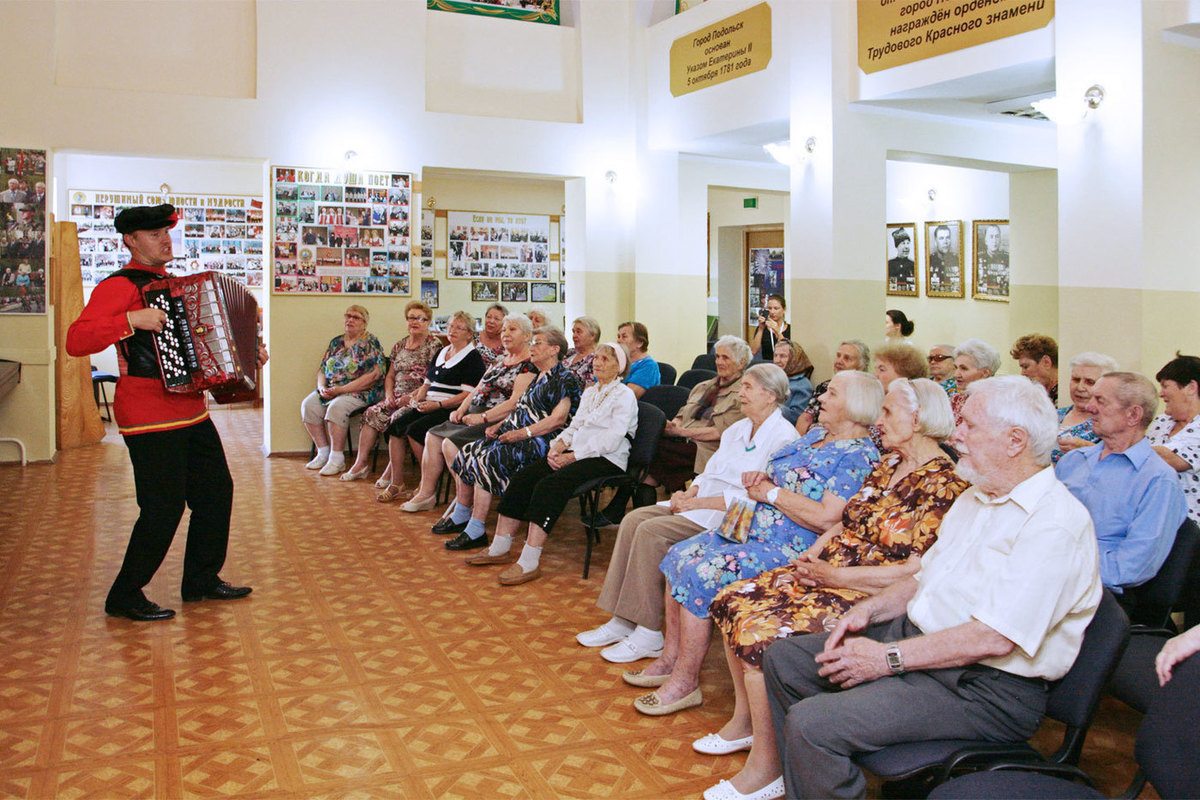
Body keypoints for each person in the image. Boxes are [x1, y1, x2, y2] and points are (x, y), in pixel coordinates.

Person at [764, 376, 1102, 800]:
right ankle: (810, 779)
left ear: (1015, 440)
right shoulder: (976, 498)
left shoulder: (1055, 523)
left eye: (971, 426)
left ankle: (818, 764)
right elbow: (922, 578)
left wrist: (886, 659)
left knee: (813, 726)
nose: (956, 434)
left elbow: (993, 637)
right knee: (785, 658)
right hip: (924, 645)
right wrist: (867, 611)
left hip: (984, 688)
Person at [704, 378, 968, 800]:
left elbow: (917, 568)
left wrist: (838, 577)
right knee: (733, 598)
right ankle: (749, 723)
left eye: (888, 412)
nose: (879, 420)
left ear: (917, 421)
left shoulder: (944, 485)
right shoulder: (887, 464)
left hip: (869, 590)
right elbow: (846, 521)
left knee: (762, 630)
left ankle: (769, 766)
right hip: (833, 569)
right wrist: (811, 559)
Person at [628, 370, 883, 722]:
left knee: (701, 572)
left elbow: (828, 518)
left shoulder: (857, 455)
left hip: (790, 543)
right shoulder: (816, 436)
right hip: (751, 522)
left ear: (856, 406)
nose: (820, 399)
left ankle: (686, 681)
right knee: (677, 556)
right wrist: (760, 480)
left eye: (832, 394)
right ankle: (670, 658)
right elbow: (772, 473)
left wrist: (771, 492)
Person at [65, 203, 268, 621]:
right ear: (131, 240)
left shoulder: (172, 285)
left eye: (166, 232)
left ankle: (200, 579)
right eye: (155, 233)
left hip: (191, 411)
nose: (164, 239)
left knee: (215, 494)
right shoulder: (118, 287)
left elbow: (202, 354)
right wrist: (129, 319)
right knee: (162, 507)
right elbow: (76, 339)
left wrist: (246, 356)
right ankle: (124, 594)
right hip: (147, 413)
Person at [577, 364, 802, 665]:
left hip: (734, 515)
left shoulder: (783, 438)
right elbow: (710, 471)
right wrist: (689, 493)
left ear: (771, 395)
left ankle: (648, 633)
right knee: (632, 520)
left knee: (651, 532)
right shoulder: (738, 428)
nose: (740, 395)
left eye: (748, 388)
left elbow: (755, 494)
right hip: (703, 503)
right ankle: (623, 620)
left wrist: (697, 504)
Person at [470, 342, 638, 584]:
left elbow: (612, 439)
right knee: (525, 477)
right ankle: (499, 546)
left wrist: (572, 456)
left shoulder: (625, 396)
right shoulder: (591, 392)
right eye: (597, 357)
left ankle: (529, 562)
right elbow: (575, 426)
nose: (597, 362)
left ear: (620, 367)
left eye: (605, 359)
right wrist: (557, 446)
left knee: (550, 486)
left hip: (607, 458)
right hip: (577, 451)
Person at [441, 327, 583, 552]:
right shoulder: (539, 376)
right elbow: (522, 408)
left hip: (544, 439)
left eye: (538, 343)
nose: (532, 348)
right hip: (518, 434)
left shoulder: (565, 378)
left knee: (488, 458)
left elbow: (558, 419)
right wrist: (499, 426)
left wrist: (521, 433)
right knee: (469, 451)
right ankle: (462, 515)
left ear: (554, 349)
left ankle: (476, 529)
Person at [597, 336, 752, 528]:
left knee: (647, 458)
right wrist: (673, 425)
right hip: (682, 439)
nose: (719, 362)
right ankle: (641, 521)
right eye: (718, 357)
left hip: (707, 448)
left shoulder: (744, 394)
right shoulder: (704, 386)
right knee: (644, 455)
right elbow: (683, 414)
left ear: (742, 363)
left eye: (726, 358)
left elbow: (721, 433)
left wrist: (682, 433)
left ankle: (629, 515)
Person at [1056, 371, 1187, 595]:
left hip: (1101, 593)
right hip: (1051, 576)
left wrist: (1062, 570)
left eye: (1101, 401)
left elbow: (1132, 567)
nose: (1090, 408)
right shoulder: (1073, 461)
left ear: (1133, 414)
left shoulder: (1158, 480)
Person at [398, 313, 537, 514]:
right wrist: (461, 409)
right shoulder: (499, 359)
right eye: (504, 329)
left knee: (450, 444)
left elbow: (514, 402)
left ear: (526, 336)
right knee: (433, 435)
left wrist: (483, 417)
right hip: (474, 413)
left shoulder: (529, 365)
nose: (505, 334)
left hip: (497, 420)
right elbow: (478, 387)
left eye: (512, 329)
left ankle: (464, 501)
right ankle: (427, 493)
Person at [370, 311, 486, 499]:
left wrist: (438, 405)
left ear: (469, 333)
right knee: (396, 427)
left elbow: (467, 395)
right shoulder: (442, 352)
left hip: (448, 409)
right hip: (429, 404)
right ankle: (397, 482)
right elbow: (427, 383)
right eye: (450, 326)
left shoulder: (472, 357)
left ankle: (428, 484)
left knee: (416, 430)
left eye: (459, 327)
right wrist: (417, 400)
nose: (452, 330)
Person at [340, 301, 444, 484]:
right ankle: (360, 464)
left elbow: (435, 379)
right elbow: (390, 375)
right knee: (371, 413)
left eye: (421, 319)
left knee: (398, 420)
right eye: (411, 318)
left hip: (419, 397)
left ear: (428, 322)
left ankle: (391, 473)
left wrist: (410, 397)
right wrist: (389, 395)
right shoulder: (400, 345)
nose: (415, 322)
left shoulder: (435, 346)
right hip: (394, 396)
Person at [300, 305, 385, 476]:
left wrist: (341, 390)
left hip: (361, 391)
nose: (350, 320)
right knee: (309, 404)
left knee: (336, 408)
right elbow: (322, 369)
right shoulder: (336, 342)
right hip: (333, 389)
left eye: (356, 317)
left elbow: (374, 376)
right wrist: (322, 387)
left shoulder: (370, 342)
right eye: (348, 316)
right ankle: (323, 452)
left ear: (365, 323)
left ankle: (337, 458)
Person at [1148, 354, 1200, 522]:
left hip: (1190, 527)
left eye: (1165, 386)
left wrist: (1109, 449)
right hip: (1156, 518)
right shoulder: (1161, 422)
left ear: (1191, 387)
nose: (1161, 394)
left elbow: (1169, 458)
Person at [1052, 351, 1118, 463]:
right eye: (1076, 380)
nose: (1080, 387)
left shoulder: (1111, 425)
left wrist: (1088, 448)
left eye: (1090, 382)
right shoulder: (1052, 414)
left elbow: (1120, 464)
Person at [796, 340, 870, 435]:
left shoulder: (864, 392)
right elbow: (806, 417)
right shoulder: (825, 386)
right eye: (838, 356)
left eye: (847, 358)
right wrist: (797, 444)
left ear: (860, 366)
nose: (839, 361)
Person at [949, 338, 1001, 423]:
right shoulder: (956, 399)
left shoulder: (996, 404)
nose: (956, 375)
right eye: (955, 368)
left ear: (985, 373)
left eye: (964, 369)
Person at [1011, 333, 1059, 405]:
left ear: (1046, 362)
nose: (1022, 374)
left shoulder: (1066, 396)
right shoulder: (1040, 395)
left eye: (1026, 367)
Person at [773, 339, 814, 425]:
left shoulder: (802, 385)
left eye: (783, 356)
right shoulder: (772, 378)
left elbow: (796, 417)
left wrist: (769, 404)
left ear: (794, 358)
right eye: (775, 355)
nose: (777, 360)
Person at [618, 321, 660, 399]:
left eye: (624, 337)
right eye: (619, 337)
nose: (619, 341)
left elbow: (627, 397)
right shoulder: (620, 361)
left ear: (639, 343)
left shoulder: (648, 366)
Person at [751, 294, 791, 361]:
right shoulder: (762, 328)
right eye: (770, 308)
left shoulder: (790, 329)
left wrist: (778, 332)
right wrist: (761, 329)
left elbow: (788, 351)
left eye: (776, 308)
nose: (772, 312)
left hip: (784, 365)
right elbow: (753, 351)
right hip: (767, 365)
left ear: (784, 309)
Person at [563, 315, 600, 386]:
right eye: (573, 332)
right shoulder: (569, 353)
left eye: (578, 332)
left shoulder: (597, 358)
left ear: (592, 335)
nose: (574, 335)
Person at [928, 223, 959, 291]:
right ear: (936, 242)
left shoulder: (957, 260)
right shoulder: (929, 261)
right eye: (941, 238)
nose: (945, 242)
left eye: (948, 238)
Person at [886, 228, 915, 294]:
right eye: (903, 243)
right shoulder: (889, 264)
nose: (906, 246)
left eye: (908, 243)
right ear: (897, 246)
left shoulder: (913, 265)